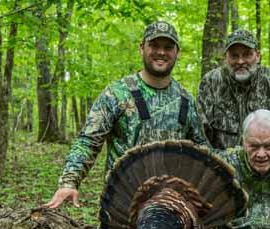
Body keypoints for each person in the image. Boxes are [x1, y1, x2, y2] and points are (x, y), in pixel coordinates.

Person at [44, 21, 206, 209]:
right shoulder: (117, 93)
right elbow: (88, 141)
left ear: (177, 52)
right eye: (154, 45)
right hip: (121, 206)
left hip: (171, 208)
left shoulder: (186, 99)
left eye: (168, 47)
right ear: (141, 48)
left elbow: (201, 150)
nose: (161, 52)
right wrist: (69, 182)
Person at [197, 29, 270, 168]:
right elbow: (200, 136)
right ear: (226, 58)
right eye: (234, 56)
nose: (240, 61)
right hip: (223, 176)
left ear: (258, 56)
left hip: (269, 174)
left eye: (247, 55)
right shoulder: (211, 84)